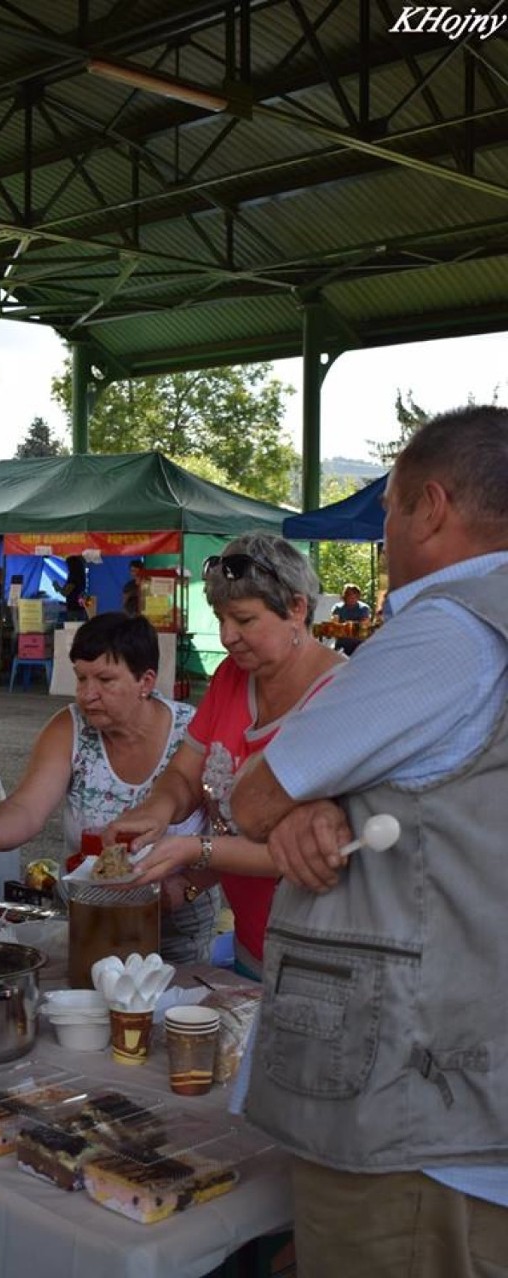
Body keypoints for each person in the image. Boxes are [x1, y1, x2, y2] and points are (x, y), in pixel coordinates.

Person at [230, 405, 508, 1278]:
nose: (384, 534)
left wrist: (317, 799)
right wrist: (345, 799)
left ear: (429, 506)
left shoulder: (445, 630)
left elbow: (255, 796)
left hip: (415, 1100)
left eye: (387, 510)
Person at [109, 533, 344, 979]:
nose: (226, 636)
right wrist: (157, 811)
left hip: (318, 954)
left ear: (296, 608)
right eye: (220, 617)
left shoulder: (339, 696)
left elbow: (304, 850)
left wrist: (194, 851)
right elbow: (184, 773)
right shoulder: (231, 676)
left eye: (244, 619)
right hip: (252, 944)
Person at [0, 612, 219, 964]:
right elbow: (27, 808)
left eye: (104, 680)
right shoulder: (70, 728)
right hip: (90, 918)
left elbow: (231, 833)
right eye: (81, 678)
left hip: (177, 926)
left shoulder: (193, 733)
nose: (87, 694)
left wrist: (186, 888)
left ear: (145, 681)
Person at [330, 581, 371, 655]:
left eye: (354, 596)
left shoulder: (364, 608)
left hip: (358, 646)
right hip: (341, 645)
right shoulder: (338, 608)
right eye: (349, 596)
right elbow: (334, 626)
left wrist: (347, 626)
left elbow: (364, 627)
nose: (352, 598)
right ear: (345, 596)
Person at [61, 554, 88, 621]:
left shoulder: (73, 578)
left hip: (74, 609)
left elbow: (65, 592)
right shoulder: (82, 576)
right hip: (81, 607)